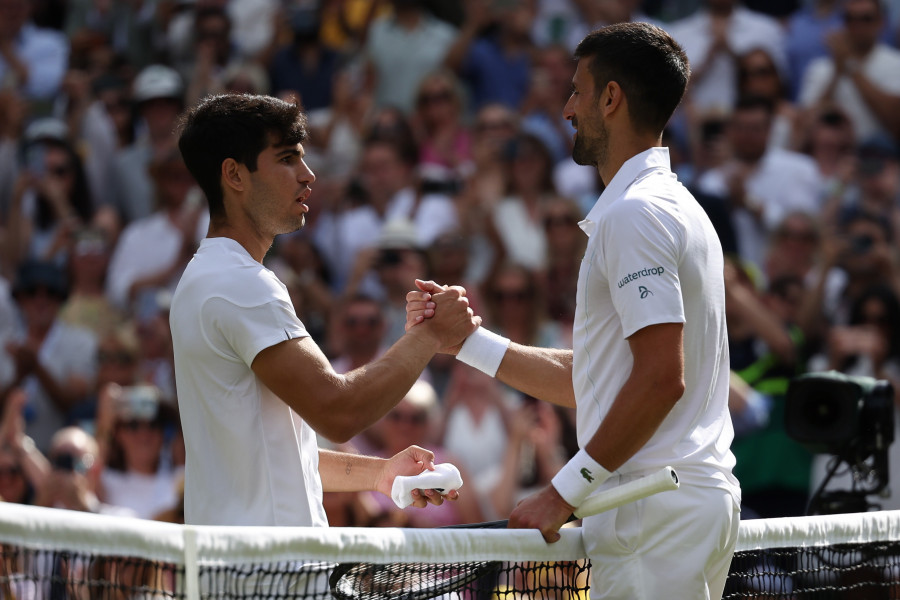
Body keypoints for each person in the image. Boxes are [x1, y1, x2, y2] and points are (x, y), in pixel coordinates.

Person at [407, 23, 741, 599]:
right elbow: (597, 381)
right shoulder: (672, 206)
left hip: (649, 511)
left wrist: (563, 492)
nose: (566, 108)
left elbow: (661, 378)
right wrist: (467, 342)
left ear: (610, 99)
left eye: (577, 91)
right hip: (671, 506)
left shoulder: (634, 215)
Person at [170, 93, 479, 527]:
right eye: (287, 159)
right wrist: (430, 334)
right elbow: (339, 411)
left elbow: (274, 453)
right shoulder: (240, 285)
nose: (308, 175)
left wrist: (380, 473)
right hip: (273, 576)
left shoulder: (205, 277)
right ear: (234, 175)